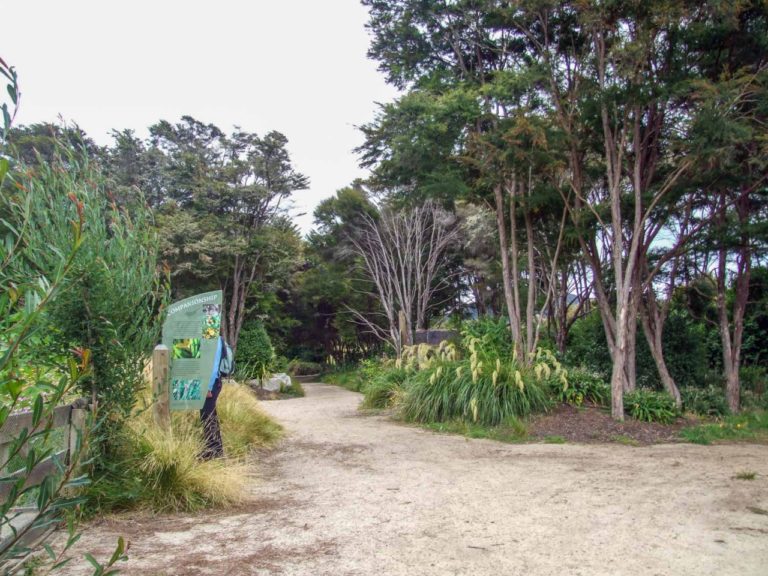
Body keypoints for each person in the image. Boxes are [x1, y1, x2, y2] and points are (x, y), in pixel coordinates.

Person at [200, 336, 232, 459]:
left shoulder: (213, 339)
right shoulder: (207, 338)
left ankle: (215, 451)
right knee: (207, 415)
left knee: (208, 415)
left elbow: (212, 366)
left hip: (211, 384)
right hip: (209, 383)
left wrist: (207, 388)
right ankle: (213, 449)